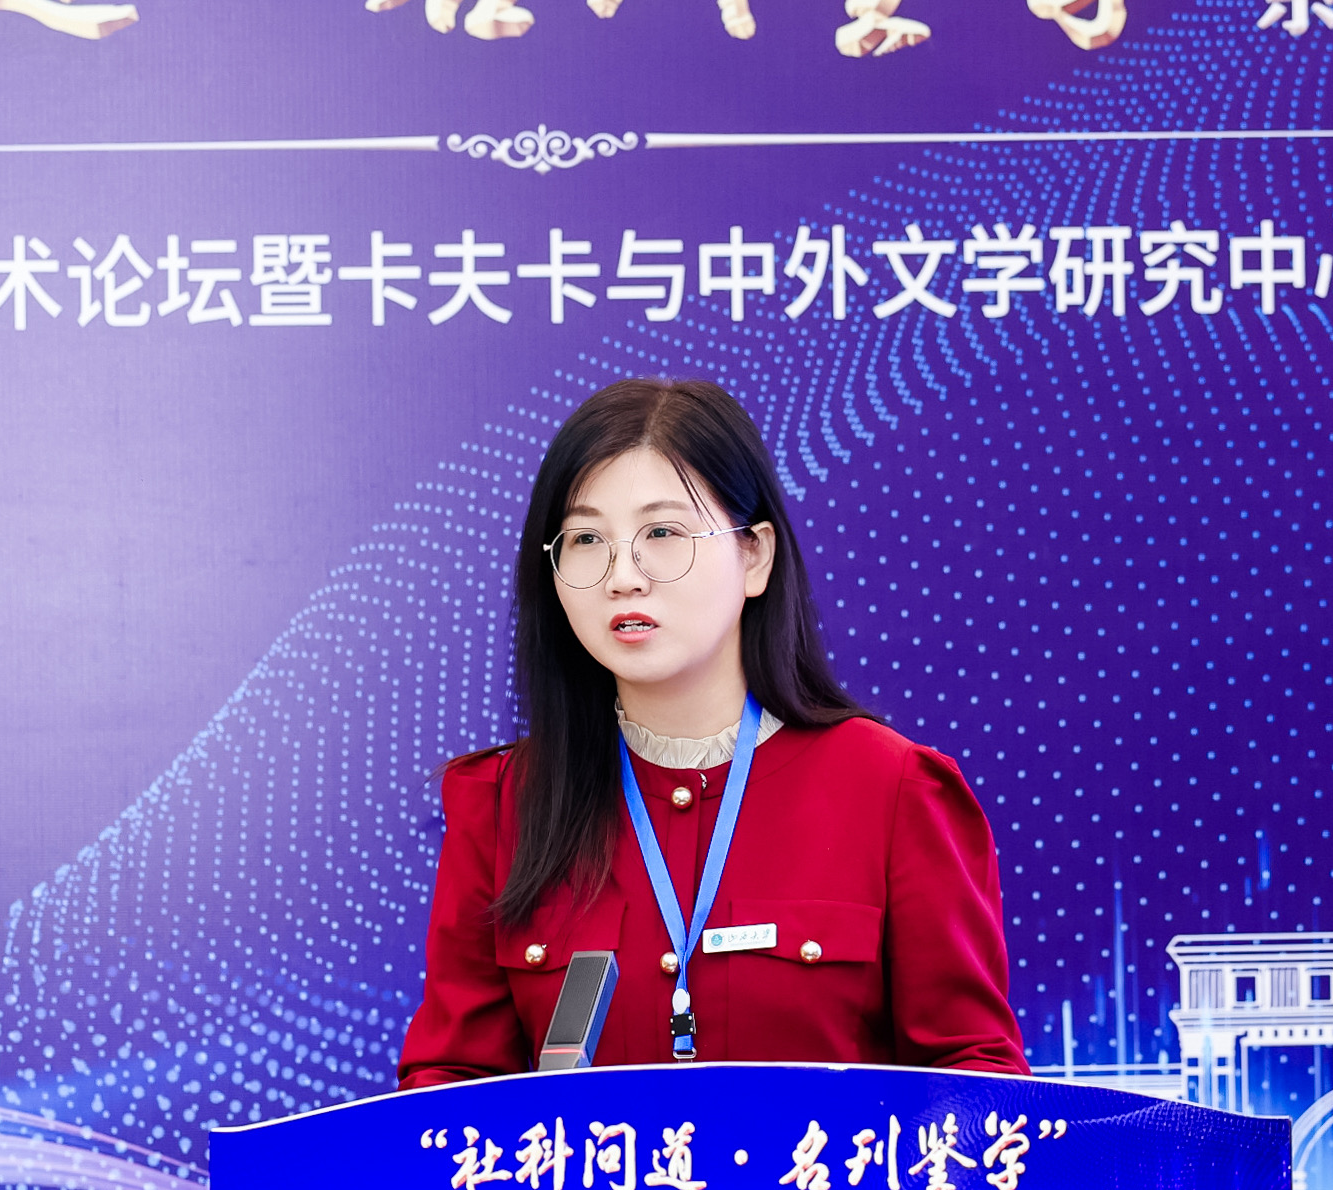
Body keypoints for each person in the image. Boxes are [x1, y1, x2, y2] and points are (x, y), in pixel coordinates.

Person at [398, 377, 1025, 1084]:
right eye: (586, 539)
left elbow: (974, 1076)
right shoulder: (501, 803)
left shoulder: (892, 788)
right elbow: (446, 1093)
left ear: (754, 556)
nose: (623, 576)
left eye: (663, 534)